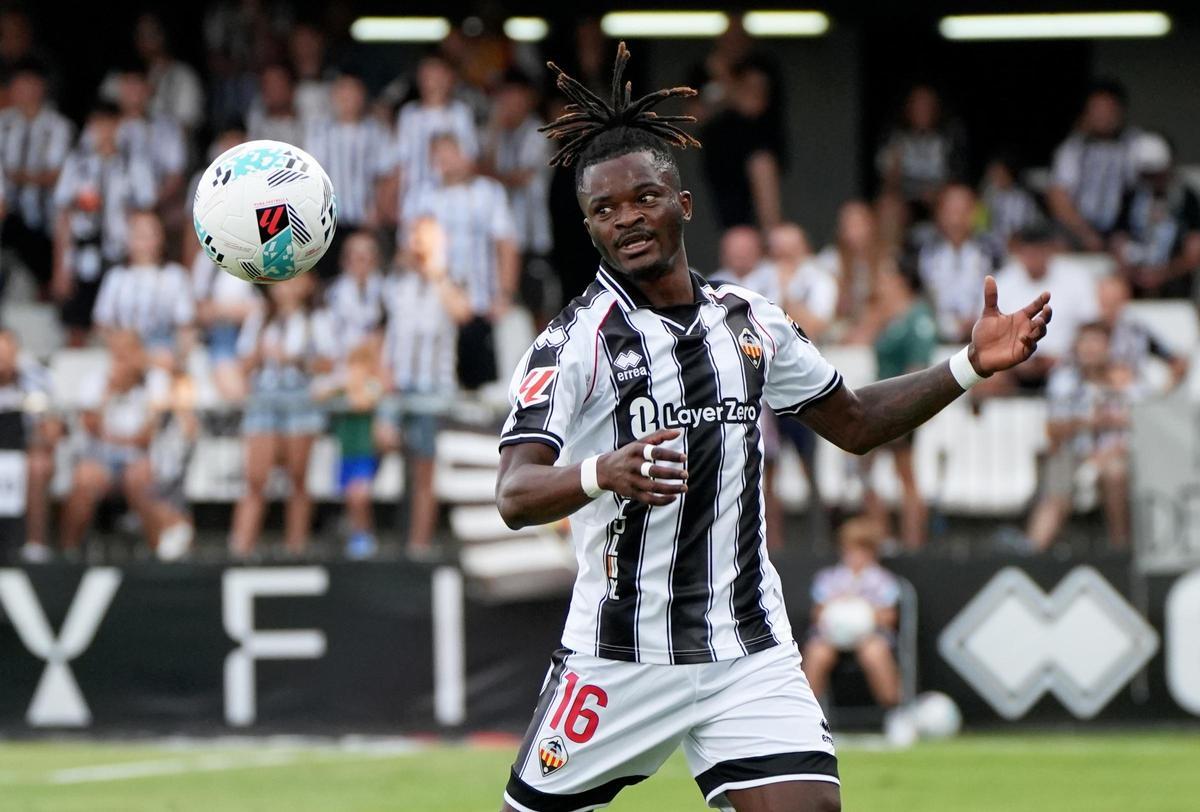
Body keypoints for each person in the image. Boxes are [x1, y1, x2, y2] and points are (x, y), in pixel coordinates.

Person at [494, 43, 1051, 812]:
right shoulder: (573, 345)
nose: (628, 220)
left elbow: (855, 422)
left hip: (746, 650)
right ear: (589, 226)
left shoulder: (749, 322)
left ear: (683, 204)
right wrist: (601, 473)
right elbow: (515, 493)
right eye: (605, 210)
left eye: (644, 197)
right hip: (622, 654)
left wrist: (968, 365)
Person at [378, 216, 472, 556]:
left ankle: (418, 545)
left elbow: (463, 313)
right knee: (379, 447)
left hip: (434, 388)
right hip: (398, 386)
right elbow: (388, 336)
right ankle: (371, 536)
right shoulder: (396, 284)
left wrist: (436, 273)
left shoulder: (450, 280)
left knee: (424, 469)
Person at [230, 274, 336, 558]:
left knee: (298, 477)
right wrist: (261, 353)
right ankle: (241, 547)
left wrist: (294, 359)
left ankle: (296, 547)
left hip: (298, 398)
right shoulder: (260, 319)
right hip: (264, 398)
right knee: (255, 478)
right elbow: (243, 363)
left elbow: (328, 363)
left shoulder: (315, 319)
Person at [405, 132, 517, 390]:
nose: (445, 160)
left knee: (482, 381)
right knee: (438, 377)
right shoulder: (423, 196)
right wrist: (445, 289)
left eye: (450, 153)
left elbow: (506, 244)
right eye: (438, 155)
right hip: (437, 302)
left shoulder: (489, 192)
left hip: (483, 301)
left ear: (465, 156)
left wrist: (505, 293)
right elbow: (414, 250)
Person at [51, 101, 157, 347]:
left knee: (121, 322)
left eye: (110, 124)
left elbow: (144, 214)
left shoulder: (133, 164)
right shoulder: (77, 163)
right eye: (99, 124)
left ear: (119, 126)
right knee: (76, 320)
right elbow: (64, 217)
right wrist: (60, 267)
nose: (104, 131)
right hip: (83, 252)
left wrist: (139, 256)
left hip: (121, 252)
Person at [1026, 322, 1139, 551]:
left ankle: (1120, 549)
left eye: (1097, 342)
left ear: (1109, 347)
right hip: (1072, 452)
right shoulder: (1064, 380)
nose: (1091, 349)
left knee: (1115, 472)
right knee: (1057, 487)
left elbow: (1142, 423)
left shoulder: (1125, 380)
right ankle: (1032, 552)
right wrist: (1089, 422)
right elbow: (1053, 429)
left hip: (1115, 454)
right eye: (1086, 342)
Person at [848, 265, 937, 549]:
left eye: (885, 277)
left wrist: (906, 408)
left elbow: (918, 366)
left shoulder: (918, 317)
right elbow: (857, 338)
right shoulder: (889, 315)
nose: (880, 283)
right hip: (878, 405)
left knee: (904, 472)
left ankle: (912, 544)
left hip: (900, 405)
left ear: (901, 281)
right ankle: (881, 536)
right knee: (864, 469)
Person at [60, 331, 171, 552]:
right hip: (101, 458)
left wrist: (115, 438)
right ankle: (68, 551)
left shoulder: (157, 381)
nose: (123, 360)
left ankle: (157, 552)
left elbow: (147, 435)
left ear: (140, 354)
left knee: (139, 478)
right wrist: (108, 393)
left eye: (128, 352)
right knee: (84, 478)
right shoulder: (96, 381)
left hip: (141, 459)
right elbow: (90, 427)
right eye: (117, 353)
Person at [801, 517, 903, 714]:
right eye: (850, 550)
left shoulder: (882, 580)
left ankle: (893, 710)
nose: (856, 556)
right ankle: (806, 712)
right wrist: (836, 613)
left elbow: (889, 616)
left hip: (870, 636)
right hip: (831, 637)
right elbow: (817, 613)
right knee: (817, 652)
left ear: (873, 552)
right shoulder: (829, 578)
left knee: (875, 653)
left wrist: (863, 615)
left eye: (862, 550)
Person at [303, 73, 394, 281]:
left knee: (366, 275)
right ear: (334, 95)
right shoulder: (319, 131)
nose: (348, 98)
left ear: (362, 96)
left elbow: (386, 174)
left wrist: (379, 209)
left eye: (353, 92)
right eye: (343, 91)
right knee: (327, 275)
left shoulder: (375, 131)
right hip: (327, 219)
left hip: (364, 217)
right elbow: (309, 175)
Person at [481, 69, 555, 323]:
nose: (507, 103)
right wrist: (493, 127)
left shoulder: (538, 131)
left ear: (528, 98)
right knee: (505, 307)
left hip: (533, 237)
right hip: (503, 238)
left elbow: (520, 177)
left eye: (513, 95)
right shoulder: (498, 133)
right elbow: (486, 168)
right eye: (503, 96)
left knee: (538, 307)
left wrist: (489, 175)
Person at [994, 223, 1099, 391]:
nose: (1034, 257)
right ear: (1019, 252)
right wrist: (1017, 362)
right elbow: (994, 334)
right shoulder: (1002, 282)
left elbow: (1089, 327)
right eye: (1028, 252)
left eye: (1039, 251)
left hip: (1066, 364)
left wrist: (1064, 357)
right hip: (1013, 366)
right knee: (988, 381)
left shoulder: (1076, 278)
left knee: (1065, 384)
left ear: (1050, 250)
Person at [0, 59, 73, 297]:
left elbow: (56, 175)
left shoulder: (58, 125)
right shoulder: (3, 123)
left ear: (42, 87)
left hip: (46, 220)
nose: (25, 91)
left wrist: (15, 176)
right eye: (19, 84)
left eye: (30, 84)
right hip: (7, 216)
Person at [92, 211, 194, 369]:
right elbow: (102, 325)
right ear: (128, 239)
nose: (145, 243)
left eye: (150, 235)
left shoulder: (175, 276)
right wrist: (127, 349)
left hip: (164, 354)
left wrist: (178, 359)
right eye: (139, 235)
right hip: (123, 354)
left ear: (161, 238)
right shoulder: (115, 277)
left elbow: (185, 326)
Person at [1047, 80, 1139, 251]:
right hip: (1078, 230)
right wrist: (1085, 233)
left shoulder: (1135, 144)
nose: (1103, 116)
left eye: (1109, 110)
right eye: (1097, 109)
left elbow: (1143, 190)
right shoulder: (1072, 149)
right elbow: (1058, 196)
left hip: (1122, 231)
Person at [1110, 131, 1200, 299]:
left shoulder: (1187, 198)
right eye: (1146, 175)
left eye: (1156, 173)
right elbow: (1118, 240)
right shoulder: (1131, 196)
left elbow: (1194, 250)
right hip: (1134, 277)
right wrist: (1133, 271)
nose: (1152, 180)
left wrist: (1163, 274)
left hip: (1173, 281)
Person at [700, 59, 786, 231]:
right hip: (722, 166)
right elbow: (693, 114)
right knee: (736, 232)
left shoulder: (759, 64)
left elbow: (752, 106)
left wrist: (722, 76)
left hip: (757, 157)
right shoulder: (702, 70)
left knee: (771, 226)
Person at [394, 52, 479, 211]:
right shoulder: (409, 114)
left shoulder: (460, 113)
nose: (433, 81)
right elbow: (400, 162)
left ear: (450, 78)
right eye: (428, 75)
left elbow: (469, 159)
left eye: (438, 75)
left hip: (453, 201)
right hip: (414, 199)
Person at [0, 329, 57, 562]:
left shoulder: (36, 379)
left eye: (6, 352)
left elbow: (51, 429)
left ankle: (35, 545)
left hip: (25, 449)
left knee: (37, 466)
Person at [917, 184, 998, 342]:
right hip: (935, 336)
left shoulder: (992, 253)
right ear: (939, 214)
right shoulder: (924, 253)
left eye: (963, 211)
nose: (956, 219)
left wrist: (978, 319)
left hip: (981, 335)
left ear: (974, 213)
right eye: (950, 211)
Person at [876, 85, 967, 218]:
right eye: (918, 106)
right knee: (888, 205)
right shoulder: (895, 138)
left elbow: (956, 178)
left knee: (956, 201)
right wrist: (895, 168)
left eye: (927, 106)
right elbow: (887, 185)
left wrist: (937, 192)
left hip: (939, 197)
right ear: (908, 109)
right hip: (904, 198)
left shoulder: (948, 139)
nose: (922, 110)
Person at [1097, 274, 1188, 388]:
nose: (1109, 304)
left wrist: (1168, 385)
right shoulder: (1084, 330)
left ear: (1124, 299)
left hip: (1130, 389)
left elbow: (1170, 357)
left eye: (1114, 299)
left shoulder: (1136, 330)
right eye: (1105, 298)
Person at [323, 231, 386, 355]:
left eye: (367, 253)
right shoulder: (330, 293)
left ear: (376, 259)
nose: (360, 258)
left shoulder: (389, 290)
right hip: (343, 357)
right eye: (355, 253)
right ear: (345, 259)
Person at [247, 63, 304, 148]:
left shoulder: (308, 125)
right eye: (267, 84)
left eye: (277, 84)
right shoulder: (254, 124)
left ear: (291, 88)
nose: (272, 90)